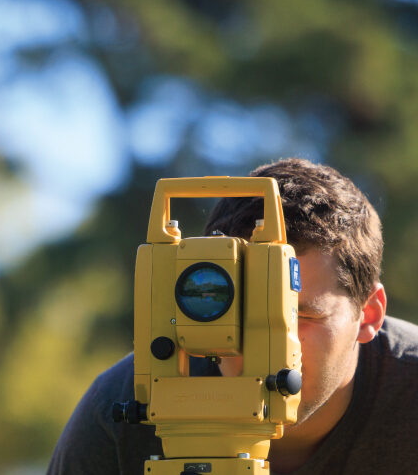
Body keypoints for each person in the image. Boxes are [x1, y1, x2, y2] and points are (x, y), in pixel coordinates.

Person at [47, 158, 418, 474]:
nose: (266, 341)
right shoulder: (120, 408)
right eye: (241, 310)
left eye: (299, 314)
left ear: (368, 314)